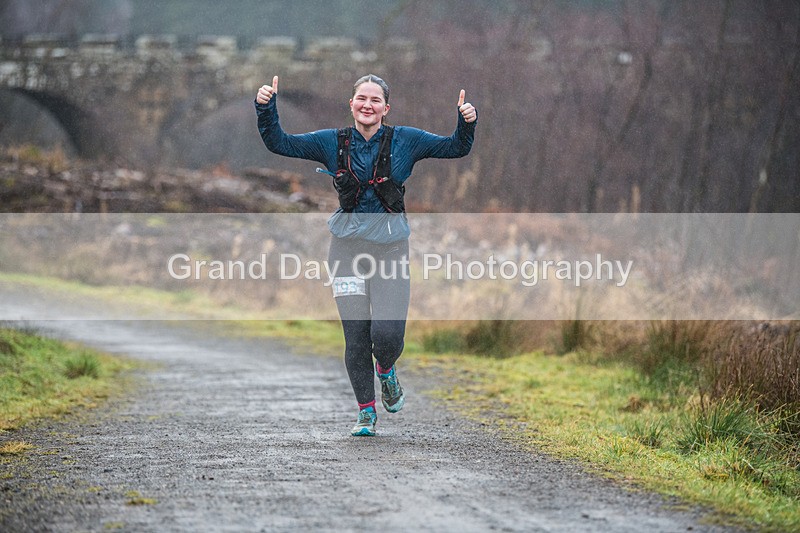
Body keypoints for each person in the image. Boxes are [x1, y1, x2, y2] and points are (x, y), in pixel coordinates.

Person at [255, 74, 477, 436]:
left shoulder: (407, 140)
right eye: (361, 98)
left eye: (375, 100)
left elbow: (455, 148)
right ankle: (366, 413)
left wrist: (466, 122)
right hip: (345, 250)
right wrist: (266, 108)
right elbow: (280, 143)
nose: (367, 105)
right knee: (356, 336)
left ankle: (386, 370)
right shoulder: (332, 141)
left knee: (387, 335)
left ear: (385, 109)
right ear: (352, 104)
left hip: (390, 249)